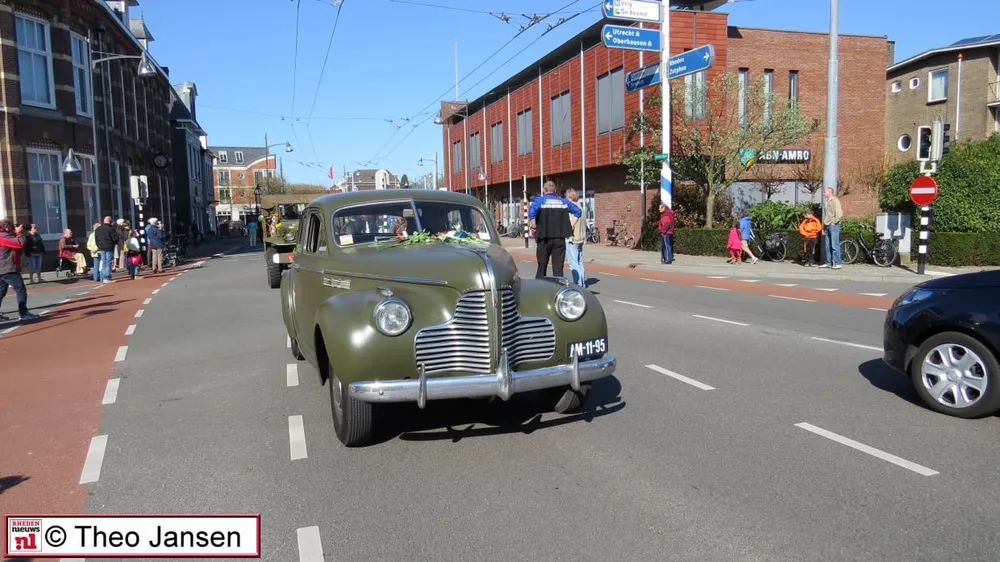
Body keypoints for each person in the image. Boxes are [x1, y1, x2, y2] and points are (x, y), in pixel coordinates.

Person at [528, 181, 581, 279]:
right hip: (559, 238)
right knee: (558, 269)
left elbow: (532, 214)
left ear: (543, 190)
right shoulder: (563, 202)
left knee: (542, 267)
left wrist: (534, 227)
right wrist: (570, 225)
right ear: (555, 190)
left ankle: (540, 285)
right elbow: (578, 211)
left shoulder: (539, 201)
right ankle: (558, 286)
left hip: (544, 238)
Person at [0, 219, 39, 322]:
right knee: (20, 289)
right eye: (11, 226)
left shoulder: (5, 235)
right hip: (8, 268)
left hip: (3, 268)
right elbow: (19, 243)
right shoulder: (3, 236)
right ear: (6, 226)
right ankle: (23, 313)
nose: (14, 227)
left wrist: (17, 232)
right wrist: (20, 233)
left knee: (1, 291)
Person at [564, 189, 586, 286]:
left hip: (572, 239)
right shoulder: (582, 208)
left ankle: (578, 284)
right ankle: (582, 283)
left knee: (573, 263)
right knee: (579, 261)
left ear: (569, 198)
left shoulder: (572, 209)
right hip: (581, 238)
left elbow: (570, 224)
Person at [819, 187, 843, 269]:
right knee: (827, 245)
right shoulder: (826, 202)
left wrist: (834, 222)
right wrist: (823, 227)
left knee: (834, 245)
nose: (823, 193)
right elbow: (826, 215)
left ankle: (837, 263)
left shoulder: (835, 201)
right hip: (827, 225)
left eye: (825, 192)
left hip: (833, 225)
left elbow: (839, 214)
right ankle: (828, 262)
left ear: (830, 192)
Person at [94, 216, 120, 284]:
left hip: (102, 248)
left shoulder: (98, 229)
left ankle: (103, 277)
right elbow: (115, 239)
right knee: (108, 262)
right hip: (109, 247)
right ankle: (107, 277)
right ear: (110, 221)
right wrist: (114, 243)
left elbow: (96, 240)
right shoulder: (111, 229)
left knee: (104, 262)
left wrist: (99, 246)